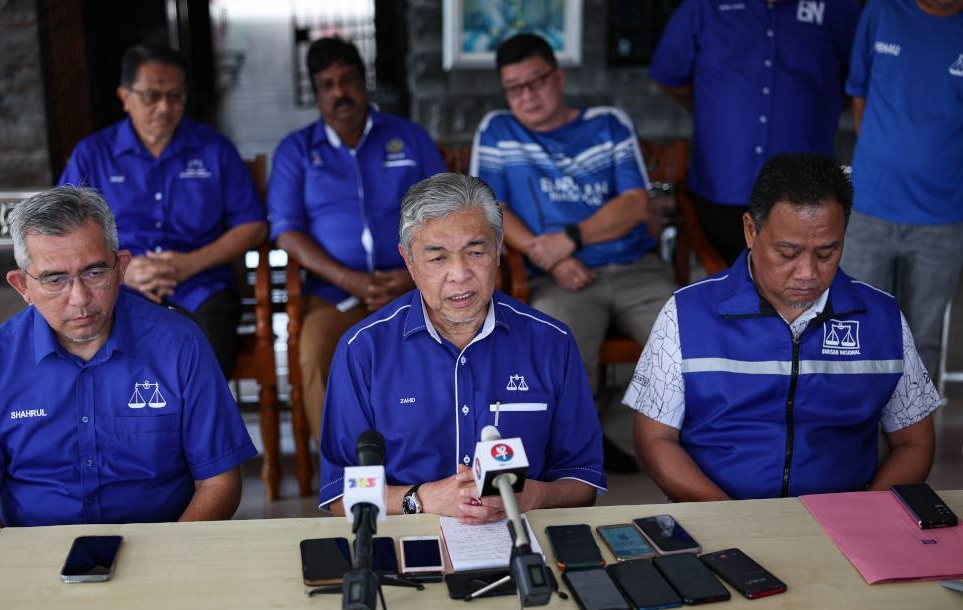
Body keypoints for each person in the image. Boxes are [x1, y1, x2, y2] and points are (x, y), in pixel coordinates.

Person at [624, 153, 940, 502]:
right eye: (788, 253)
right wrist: (730, 519)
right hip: (716, 521)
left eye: (826, 253)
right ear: (750, 230)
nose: (807, 273)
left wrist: (866, 515)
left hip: (844, 524)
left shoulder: (881, 318)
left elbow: (914, 441)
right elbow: (654, 440)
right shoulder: (686, 314)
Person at [0, 186, 257, 529]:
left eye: (94, 272)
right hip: (37, 557)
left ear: (121, 268)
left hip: (163, 544)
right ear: (22, 286)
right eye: (55, 279)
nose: (80, 298)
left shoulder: (180, 345)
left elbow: (220, 483)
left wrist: (169, 559)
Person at [318, 173, 605, 521]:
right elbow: (340, 493)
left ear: (498, 250)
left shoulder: (551, 343)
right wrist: (421, 498)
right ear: (409, 261)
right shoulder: (363, 350)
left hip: (521, 536)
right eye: (437, 258)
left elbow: (582, 480)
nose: (459, 274)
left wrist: (536, 495)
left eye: (476, 251)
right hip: (410, 542)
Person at [470, 32, 676, 470]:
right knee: (551, 348)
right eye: (514, 88)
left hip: (636, 269)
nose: (526, 95)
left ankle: (627, 436)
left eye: (536, 81)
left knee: (684, 345)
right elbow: (489, 208)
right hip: (559, 279)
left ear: (558, 77)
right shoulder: (498, 131)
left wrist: (571, 239)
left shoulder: (607, 123)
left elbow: (635, 205)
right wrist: (555, 258)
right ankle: (578, 456)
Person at [268, 37, 445, 444]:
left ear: (364, 83)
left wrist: (411, 276)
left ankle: (429, 460)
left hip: (413, 287)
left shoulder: (409, 137)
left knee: (441, 350)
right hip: (334, 294)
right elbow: (286, 233)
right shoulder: (297, 151)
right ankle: (340, 478)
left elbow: (443, 212)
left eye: (347, 80)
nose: (339, 93)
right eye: (327, 84)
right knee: (313, 356)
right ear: (316, 94)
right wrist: (351, 281)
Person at [59, 44, 267, 377]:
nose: (164, 107)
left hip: (202, 286)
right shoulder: (93, 154)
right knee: (105, 370)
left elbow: (253, 224)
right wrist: (120, 271)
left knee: (204, 373)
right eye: (151, 96)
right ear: (124, 96)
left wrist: (190, 264)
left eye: (175, 96)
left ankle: (194, 430)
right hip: (116, 287)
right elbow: (64, 228)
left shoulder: (213, 149)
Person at [650, 0, 860, 264]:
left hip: (806, 188)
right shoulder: (703, 7)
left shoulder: (837, 7)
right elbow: (668, 77)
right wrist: (716, 107)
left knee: (803, 285)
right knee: (726, 287)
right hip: (725, 183)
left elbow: (858, 82)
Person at [839, 0, 963, 384]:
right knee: (851, 332)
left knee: (922, 341)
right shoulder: (881, 13)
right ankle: (849, 431)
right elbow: (858, 92)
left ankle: (914, 440)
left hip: (943, 216)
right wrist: (883, 159)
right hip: (870, 206)